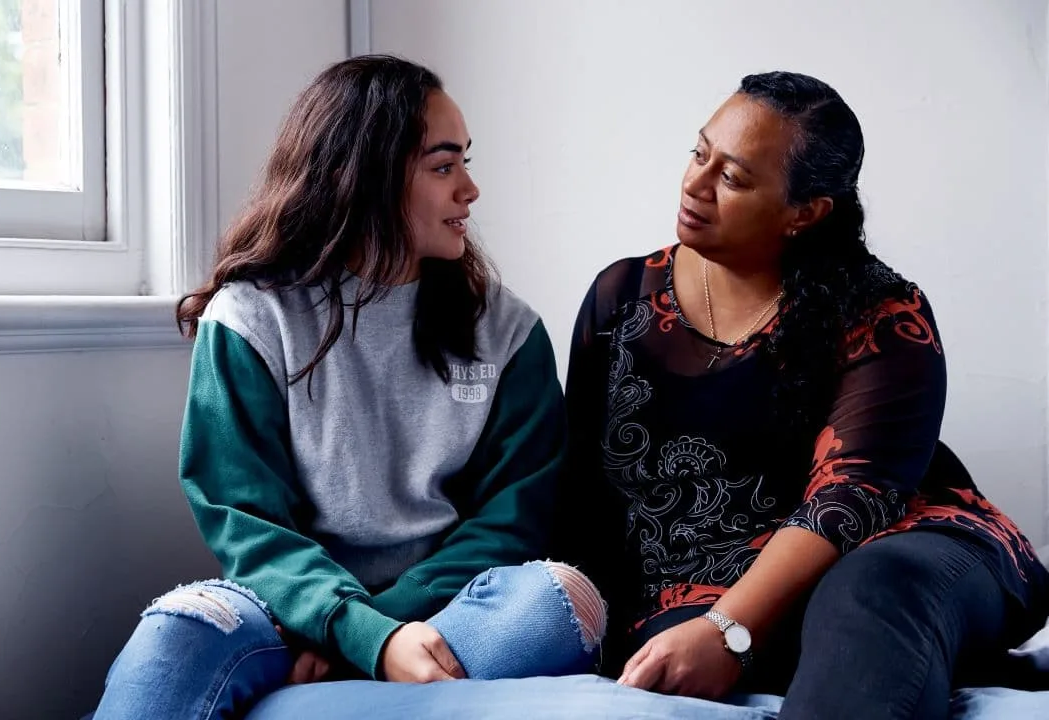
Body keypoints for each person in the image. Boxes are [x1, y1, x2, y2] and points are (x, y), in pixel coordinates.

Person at [88, 55, 606, 720]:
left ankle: (326, 696)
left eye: (465, 163)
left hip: (448, 611)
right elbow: (245, 523)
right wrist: (360, 632)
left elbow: (511, 522)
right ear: (365, 177)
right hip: (283, 608)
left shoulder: (509, 332)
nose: (470, 190)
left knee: (562, 600)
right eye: (444, 166)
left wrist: (374, 636)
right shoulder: (250, 318)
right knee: (179, 628)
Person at [557, 70, 1049, 720]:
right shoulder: (620, 299)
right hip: (707, 588)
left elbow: (850, 500)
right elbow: (586, 492)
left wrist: (729, 630)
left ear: (805, 211)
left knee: (868, 591)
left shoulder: (883, 311)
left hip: (900, 552)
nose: (695, 185)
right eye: (699, 154)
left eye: (732, 178)